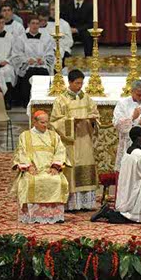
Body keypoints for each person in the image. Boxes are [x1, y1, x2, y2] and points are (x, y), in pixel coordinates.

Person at [91, 126, 141, 223]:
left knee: (128, 213)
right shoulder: (139, 155)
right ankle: (107, 213)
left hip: (129, 187)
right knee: (129, 217)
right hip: (137, 189)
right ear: (139, 137)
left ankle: (108, 211)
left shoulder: (129, 151)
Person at [49, 69, 100, 211]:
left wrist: (92, 120)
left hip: (85, 138)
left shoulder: (87, 98)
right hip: (70, 141)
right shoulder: (61, 100)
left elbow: (95, 114)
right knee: (72, 168)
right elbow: (55, 121)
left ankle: (86, 203)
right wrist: (72, 122)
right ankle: (72, 204)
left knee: (86, 165)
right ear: (70, 82)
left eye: (81, 83)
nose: (79, 86)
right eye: (77, 83)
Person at [12, 111, 69, 224]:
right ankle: (33, 215)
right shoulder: (25, 136)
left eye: (47, 122)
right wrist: (28, 167)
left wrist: (55, 166)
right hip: (33, 170)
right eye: (42, 122)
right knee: (30, 182)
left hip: (50, 169)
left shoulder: (54, 136)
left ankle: (53, 215)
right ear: (34, 122)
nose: (45, 125)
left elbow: (60, 151)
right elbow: (21, 153)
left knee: (57, 181)